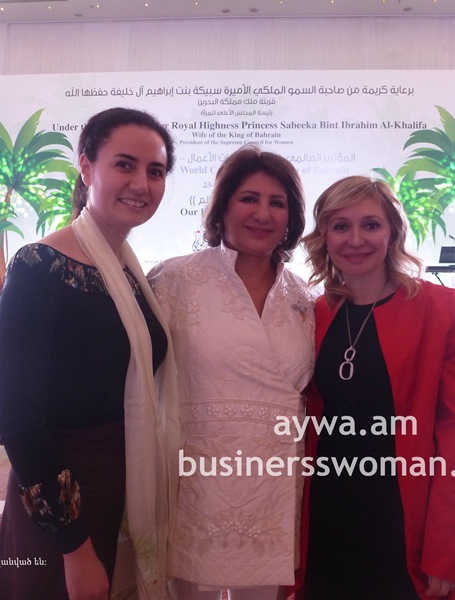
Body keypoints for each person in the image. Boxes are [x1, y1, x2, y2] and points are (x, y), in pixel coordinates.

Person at [294, 176, 455, 599]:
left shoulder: (440, 309)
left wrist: (445, 546)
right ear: (324, 236)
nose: (355, 239)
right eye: (341, 226)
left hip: (405, 507)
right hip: (330, 503)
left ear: (393, 232)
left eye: (371, 225)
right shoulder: (315, 312)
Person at [0, 107, 179, 600]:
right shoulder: (40, 267)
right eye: (124, 164)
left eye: (155, 171)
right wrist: (74, 548)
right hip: (64, 500)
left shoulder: (130, 274)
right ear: (87, 168)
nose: (141, 183)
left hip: (125, 481)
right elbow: (20, 427)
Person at [149, 145, 315, 600]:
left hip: (275, 487)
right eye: (249, 198)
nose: (263, 213)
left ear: (290, 218)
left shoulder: (303, 298)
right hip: (194, 485)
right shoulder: (173, 281)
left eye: (277, 203)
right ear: (222, 207)